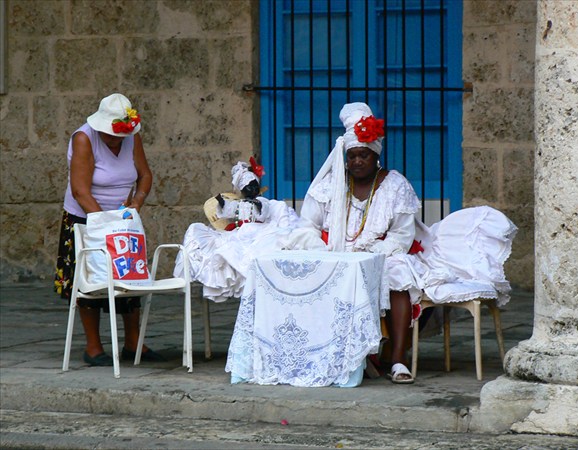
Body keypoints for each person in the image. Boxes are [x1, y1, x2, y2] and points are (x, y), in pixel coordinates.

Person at [283, 102, 517, 384]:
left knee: (399, 273)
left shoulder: (395, 185)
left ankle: (397, 359)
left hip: (385, 253)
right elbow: (309, 224)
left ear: (375, 156)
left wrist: (373, 253)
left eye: (364, 156)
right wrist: (322, 249)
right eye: (352, 156)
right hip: (337, 254)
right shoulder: (329, 186)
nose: (357, 161)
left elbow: (402, 236)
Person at [54, 93, 163, 366]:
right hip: (85, 217)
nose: (115, 140)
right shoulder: (84, 138)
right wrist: (104, 223)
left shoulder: (131, 136)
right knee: (91, 280)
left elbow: (145, 175)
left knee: (130, 276)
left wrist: (136, 204)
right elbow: (80, 190)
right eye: (109, 134)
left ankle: (133, 343)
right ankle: (93, 347)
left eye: (119, 135)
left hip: (121, 218)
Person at [174, 157, 300, 303]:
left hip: (258, 229)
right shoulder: (239, 204)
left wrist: (257, 204)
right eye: (248, 188)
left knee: (251, 248)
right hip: (242, 231)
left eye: (254, 187)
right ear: (242, 190)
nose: (251, 190)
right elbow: (229, 210)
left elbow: (264, 212)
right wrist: (222, 203)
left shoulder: (263, 202)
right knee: (225, 244)